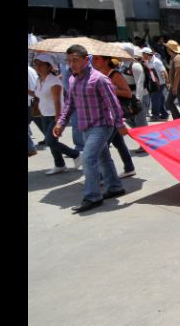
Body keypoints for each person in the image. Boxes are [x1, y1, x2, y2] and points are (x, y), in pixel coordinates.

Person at [53, 45, 128, 213]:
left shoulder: (99, 79)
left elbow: (113, 104)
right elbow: (69, 104)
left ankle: (92, 196)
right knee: (103, 158)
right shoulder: (72, 80)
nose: (72, 64)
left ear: (86, 60)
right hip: (85, 126)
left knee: (88, 158)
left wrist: (120, 124)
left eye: (75, 60)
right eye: (69, 61)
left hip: (102, 125)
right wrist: (61, 122)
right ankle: (115, 187)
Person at [32, 54, 82, 174]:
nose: (38, 67)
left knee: (50, 141)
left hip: (56, 115)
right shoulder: (40, 80)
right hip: (44, 114)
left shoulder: (54, 82)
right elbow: (38, 95)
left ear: (49, 67)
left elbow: (57, 101)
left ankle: (75, 154)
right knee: (52, 142)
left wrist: (58, 119)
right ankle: (59, 165)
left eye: (41, 64)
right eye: (36, 64)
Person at [91, 56, 136, 179]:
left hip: (115, 114)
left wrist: (111, 89)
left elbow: (127, 93)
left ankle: (100, 176)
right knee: (118, 143)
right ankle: (129, 167)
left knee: (101, 147)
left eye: (96, 58)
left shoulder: (114, 74)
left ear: (106, 61)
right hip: (105, 114)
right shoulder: (97, 74)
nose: (93, 61)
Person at [164, 40, 180, 119]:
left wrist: (174, 87)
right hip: (175, 85)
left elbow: (177, 73)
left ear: (169, 49)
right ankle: (177, 118)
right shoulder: (173, 58)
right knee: (169, 102)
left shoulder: (177, 58)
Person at [141, 47, 169, 120]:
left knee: (155, 99)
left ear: (146, 54)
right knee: (160, 99)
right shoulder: (146, 61)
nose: (142, 56)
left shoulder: (156, 62)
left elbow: (164, 71)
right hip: (153, 83)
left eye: (142, 54)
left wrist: (167, 82)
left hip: (159, 84)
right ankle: (164, 114)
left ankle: (155, 116)